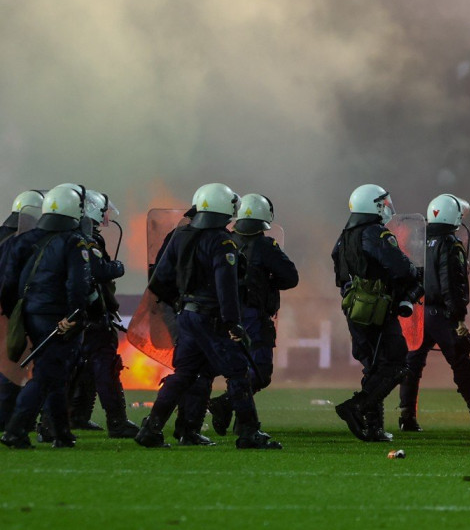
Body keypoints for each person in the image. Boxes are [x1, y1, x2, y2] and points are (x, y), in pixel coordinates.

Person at [134, 183, 280, 449]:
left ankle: (151, 430)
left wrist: (181, 303)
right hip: (212, 318)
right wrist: (233, 322)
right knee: (238, 373)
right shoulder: (221, 242)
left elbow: (158, 282)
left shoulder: (180, 236)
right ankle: (248, 433)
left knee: (184, 373)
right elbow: (227, 288)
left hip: (187, 317)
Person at [0, 185, 94, 448]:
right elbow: (78, 284)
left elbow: (8, 283)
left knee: (54, 374)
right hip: (58, 317)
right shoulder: (74, 242)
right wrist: (75, 315)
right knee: (46, 374)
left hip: (29, 315)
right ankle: (16, 430)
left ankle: (61, 433)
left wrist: (15, 314)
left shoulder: (24, 239)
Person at [200, 194, 299, 438]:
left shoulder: (225, 240)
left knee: (236, 368)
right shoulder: (265, 245)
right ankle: (227, 405)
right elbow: (291, 277)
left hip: (225, 314)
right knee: (260, 371)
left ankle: (239, 419)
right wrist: (267, 282)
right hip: (253, 315)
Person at [396, 194, 470, 432]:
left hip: (420, 312)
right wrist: (458, 315)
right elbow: (452, 283)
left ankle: (406, 418)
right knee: (462, 363)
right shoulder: (450, 243)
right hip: (442, 314)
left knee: (412, 365)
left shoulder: (419, 240)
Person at [331, 184, 419, 443]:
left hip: (354, 306)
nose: (388, 207)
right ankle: (356, 407)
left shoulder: (345, 235)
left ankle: (374, 428)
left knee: (373, 366)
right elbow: (402, 268)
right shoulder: (375, 233)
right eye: (383, 202)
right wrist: (415, 275)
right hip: (378, 307)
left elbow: (339, 269)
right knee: (396, 363)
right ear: (375, 206)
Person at [65, 190, 140, 439]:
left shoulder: (65, 237)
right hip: (92, 316)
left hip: (73, 316)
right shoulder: (86, 241)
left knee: (78, 368)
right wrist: (117, 268)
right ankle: (117, 422)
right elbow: (97, 271)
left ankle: (71, 418)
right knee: (105, 366)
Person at [0, 189, 43, 429]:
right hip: (7, 311)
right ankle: (7, 419)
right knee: (12, 367)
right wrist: (13, 311)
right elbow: (10, 280)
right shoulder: (19, 240)